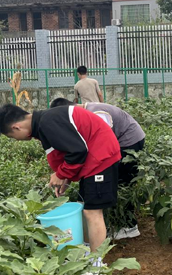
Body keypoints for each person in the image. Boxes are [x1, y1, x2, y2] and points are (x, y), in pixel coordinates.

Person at [0, 103, 121, 275]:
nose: (16, 139)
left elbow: (78, 150)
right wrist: (66, 178)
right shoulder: (44, 123)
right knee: (85, 207)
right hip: (93, 160)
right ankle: (87, 254)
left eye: (12, 137)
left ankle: (97, 267)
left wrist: (61, 174)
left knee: (93, 212)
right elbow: (70, 150)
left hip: (101, 157)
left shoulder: (48, 123)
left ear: (16, 127)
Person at [50, 98, 146, 240]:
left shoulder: (97, 113)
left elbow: (101, 147)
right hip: (116, 143)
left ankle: (129, 227)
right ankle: (102, 223)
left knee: (124, 182)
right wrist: (67, 177)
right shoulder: (83, 114)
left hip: (129, 142)